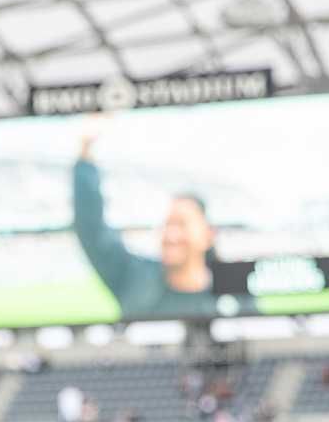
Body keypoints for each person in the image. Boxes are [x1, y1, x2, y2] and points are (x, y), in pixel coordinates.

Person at [72, 117, 254, 319]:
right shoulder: (135, 276)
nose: (171, 235)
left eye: (182, 224)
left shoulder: (233, 282)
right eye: (168, 224)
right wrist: (86, 150)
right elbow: (92, 230)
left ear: (208, 235)